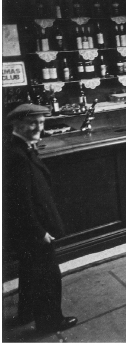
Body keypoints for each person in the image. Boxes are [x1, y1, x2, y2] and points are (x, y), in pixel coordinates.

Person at [3, 104, 77, 333]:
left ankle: (25, 314)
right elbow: (20, 203)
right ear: (17, 124)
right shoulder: (19, 156)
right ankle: (50, 322)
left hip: (27, 228)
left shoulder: (19, 148)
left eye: (42, 122)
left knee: (28, 272)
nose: (38, 127)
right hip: (34, 228)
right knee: (47, 276)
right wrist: (39, 232)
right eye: (32, 122)